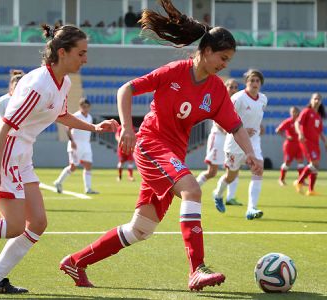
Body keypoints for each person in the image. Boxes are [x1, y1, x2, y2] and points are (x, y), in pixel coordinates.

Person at [59, 0, 263, 292]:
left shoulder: (217, 90)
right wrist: (128, 128)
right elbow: (126, 89)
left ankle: (75, 262)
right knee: (193, 189)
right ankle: (197, 269)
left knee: (140, 230)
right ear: (206, 51)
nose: (225, 65)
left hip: (172, 156)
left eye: (229, 60)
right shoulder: (175, 71)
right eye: (223, 57)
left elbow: (236, 126)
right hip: (152, 146)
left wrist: (253, 154)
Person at [0, 24, 118, 294]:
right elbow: (4, 128)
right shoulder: (38, 84)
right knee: (14, 226)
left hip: (23, 154)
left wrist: (95, 127)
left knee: (37, 223)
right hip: (7, 152)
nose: (86, 59)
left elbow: (61, 115)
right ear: (63, 53)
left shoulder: (62, 82)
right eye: (81, 53)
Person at [213, 69, 267, 219]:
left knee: (258, 169)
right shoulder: (238, 98)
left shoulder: (263, 99)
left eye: (257, 81)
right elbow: (225, 116)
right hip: (235, 143)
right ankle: (218, 194)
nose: (255, 83)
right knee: (230, 176)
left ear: (261, 83)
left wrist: (258, 127)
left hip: (254, 142)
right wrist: (240, 129)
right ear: (246, 82)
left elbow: (256, 117)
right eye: (252, 80)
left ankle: (251, 208)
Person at [196, 78, 242, 206]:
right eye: (230, 87)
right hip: (219, 137)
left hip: (231, 138)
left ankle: (230, 197)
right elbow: (217, 121)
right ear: (226, 88)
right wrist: (233, 131)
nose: (233, 89)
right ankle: (193, 187)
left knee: (234, 168)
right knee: (212, 172)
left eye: (235, 87)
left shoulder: (238, 102)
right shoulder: (220, 100)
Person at [53, 98, 99, 194]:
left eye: (86, 107)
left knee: (88, 165)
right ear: (80, 107)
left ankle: (88, 188)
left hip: (86, 144)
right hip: (76, 144)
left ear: (89, 107)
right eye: (83, 106)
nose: (85, 108)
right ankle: (58, 182)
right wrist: (72, 141)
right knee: (73, 166)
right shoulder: (76, 116)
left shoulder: (89, 117)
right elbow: (67, 128)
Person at [294, 93, 326, 196]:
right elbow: (297, 123)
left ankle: (311, 190)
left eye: (318, 99)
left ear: (320, 102)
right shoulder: (306, 111)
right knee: (314, 163)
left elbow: (320, 131)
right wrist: (300, 133)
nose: (317, 101)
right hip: (306, 141)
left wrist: (325, 141)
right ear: (311, 100)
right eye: (315, 99)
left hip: (315, 143)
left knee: (316, 166)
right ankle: (299, 181)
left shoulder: (318, 116)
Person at [275, 106, 304, 186]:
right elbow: (278, 130)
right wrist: (286, 137)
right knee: (287, 162)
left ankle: (301, 180)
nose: (295, 113)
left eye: (296, 111)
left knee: (301, 162)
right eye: (293, 112)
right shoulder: (288, 121)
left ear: (299, 112)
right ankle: (281, 179)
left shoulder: (301, 122)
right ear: (290, 113)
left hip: (299, 144)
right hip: (289, 145)